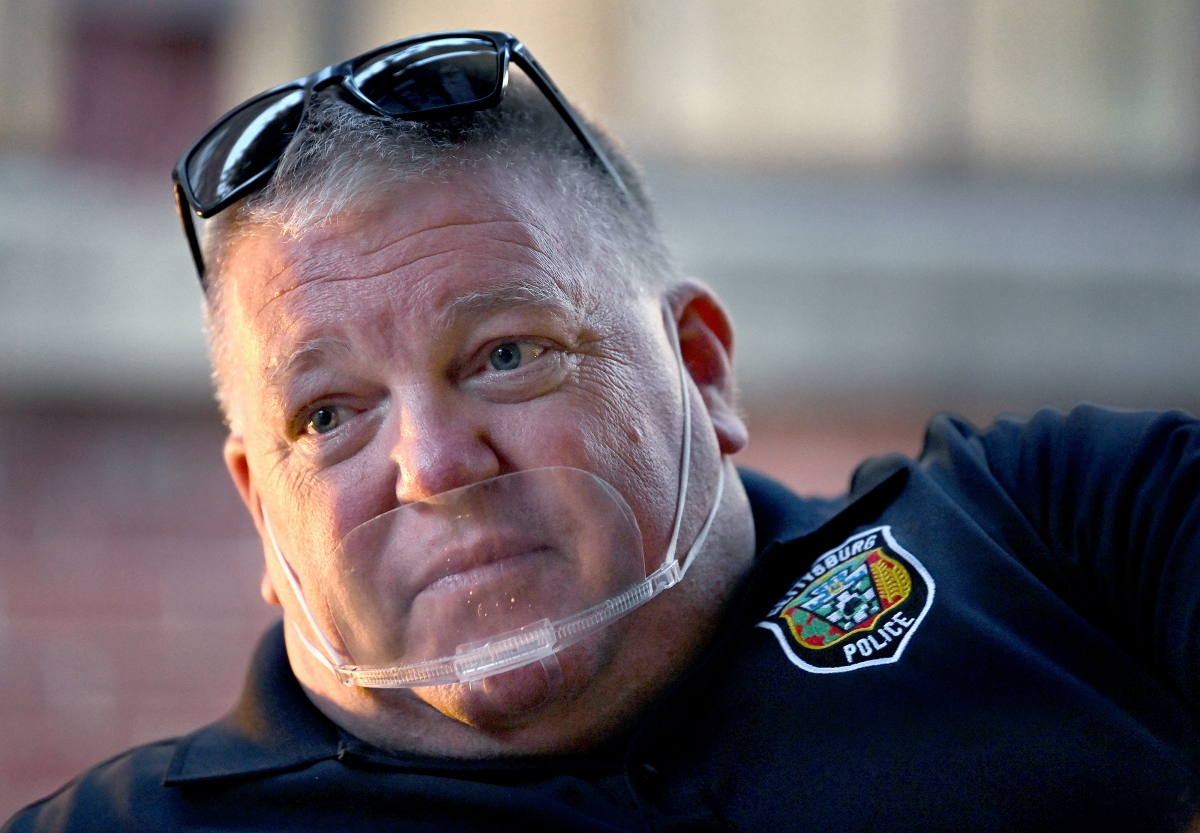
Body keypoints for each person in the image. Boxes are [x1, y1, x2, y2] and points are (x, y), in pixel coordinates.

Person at [6, 31, 1200, 833]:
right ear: (262, 510)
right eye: (329, 414)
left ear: (700, 366)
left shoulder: (1064, 535)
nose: (432, 464)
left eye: (505, 355)